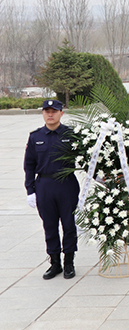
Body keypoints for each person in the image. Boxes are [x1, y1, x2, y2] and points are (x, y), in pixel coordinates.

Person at [24, 99, 78, 280]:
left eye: (54, 111)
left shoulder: (71, 135)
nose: (50, 114)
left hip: (66, 184)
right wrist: (30, 189)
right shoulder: (35, 136)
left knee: (69, 225)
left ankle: (69, 261)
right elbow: (29, 165)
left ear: (61, 113)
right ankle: (55, 263)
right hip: (45, 185)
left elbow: (85, 158)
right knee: (49, 226)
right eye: (47, 111)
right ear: (43, 113)